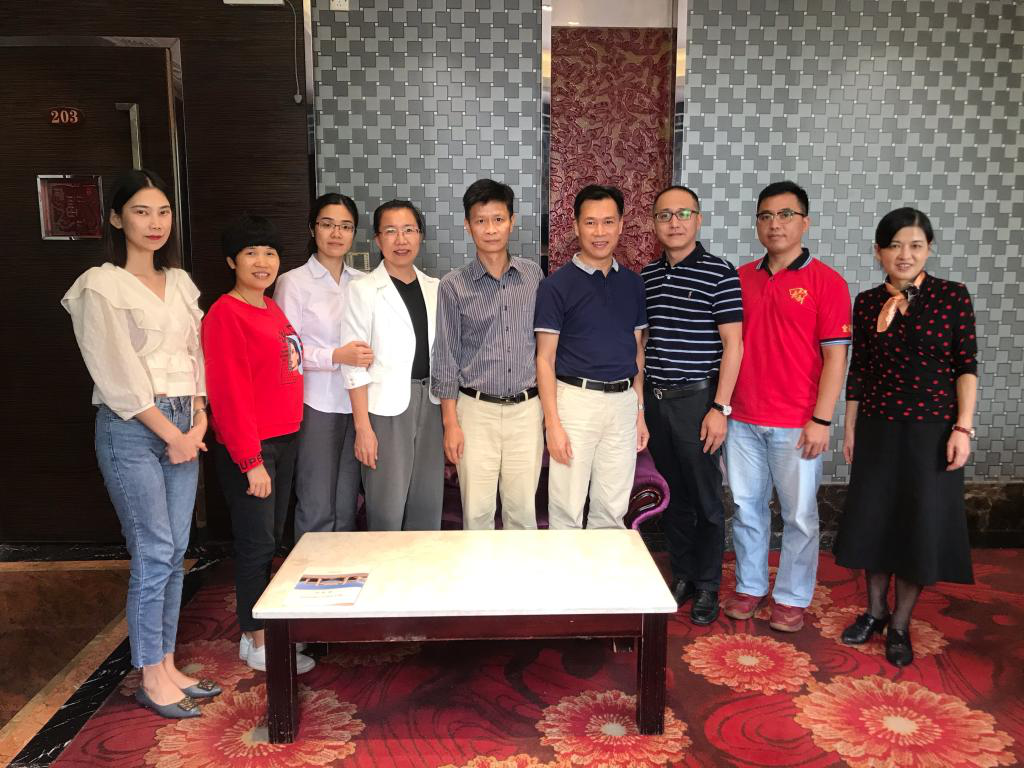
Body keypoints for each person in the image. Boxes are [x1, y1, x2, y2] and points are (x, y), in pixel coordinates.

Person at [61, 169, 217, 719]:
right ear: (116, 218)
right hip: (133, 428)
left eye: (163, 212)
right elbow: (116, 373)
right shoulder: (99, 285)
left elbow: (197, 356)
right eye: (141, 212)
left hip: (185, 422)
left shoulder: (181, 283)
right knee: (152, 549)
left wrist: (198, 420)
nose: (155, 223)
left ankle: (167, 662)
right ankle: (150, 673)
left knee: (176, 551)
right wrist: (173, 435)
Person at [834, 208, 977, 667]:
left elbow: (966, 366)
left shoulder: (952, 297)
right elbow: (859, 370)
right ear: (878, 251)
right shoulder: (866, 302)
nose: (904, 254)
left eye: (915, 245)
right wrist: (850, 427)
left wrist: (963, 427)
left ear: (929, 249)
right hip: (877, 427)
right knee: (875, 523)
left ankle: (900, 623)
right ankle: (875, 611)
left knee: (918, 526)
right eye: (894, 245)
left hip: (931, 432)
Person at [722, 181, 851, 633]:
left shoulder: (827, 282)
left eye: (785, 215)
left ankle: (792, 596)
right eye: (766, 216)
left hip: (798, 423)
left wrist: (822, 419)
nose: (774, 224)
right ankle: (750, 586)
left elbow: (836, 358)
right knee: (746, 508)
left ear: (805, 222)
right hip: (742, 419)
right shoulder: (741, 278)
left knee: (799, 515)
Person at [202, 215, 315, 675]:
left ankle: (261, 631)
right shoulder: (225, 314)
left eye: (269, 253)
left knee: (269, 541)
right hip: (255, 447)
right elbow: (228, 394)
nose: (262, 262)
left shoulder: (270, 308)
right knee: (255, 544)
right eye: (251, 253)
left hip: (284, 439)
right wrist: (251, 461)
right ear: (232, 261)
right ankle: (255, 638)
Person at [641, 184, 743, 624]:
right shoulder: (646, 277)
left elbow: (734, 346)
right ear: (654, 223)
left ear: (698, 220)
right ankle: (682, 575)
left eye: (683, 213)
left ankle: (707, 585)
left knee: (706, 499)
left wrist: (720, 408)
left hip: (699, 401)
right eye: (665, 215)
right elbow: (642, 342)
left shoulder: (720, 274)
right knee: (674, 496)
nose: (674, 222)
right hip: (657, 401)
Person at [432, 179, 545, 529]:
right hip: (475, 411)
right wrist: (450, 423)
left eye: (498, 219)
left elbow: (545, 347)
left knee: (522, 514)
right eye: (481, 221)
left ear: (512, 221)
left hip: (526, 410)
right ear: (468, 225)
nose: (491, 229)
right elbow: (445, 357)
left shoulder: (533, 276)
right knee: (477, 514)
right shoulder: (453, 285)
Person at [534, 184, 649, 529]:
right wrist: (552, 423)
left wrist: (639, 412)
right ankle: (565, 567)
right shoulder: (556, 286)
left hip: (623, 404)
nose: (600, 232)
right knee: (566, 507)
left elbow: (637, 352)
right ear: (575, 226)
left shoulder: (633, 285)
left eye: (608, 222)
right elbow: (544, 359)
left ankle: (605, 566)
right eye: (590, 222)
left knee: (612, 510)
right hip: (575, 402)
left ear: (621, 225)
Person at [274, 193, 372, 540]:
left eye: (345, 226)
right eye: (327, 224)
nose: (336, 233)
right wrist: (335, 356)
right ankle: (309, 569)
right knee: (316, 499)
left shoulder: (363, 282)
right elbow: (287, 350)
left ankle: (342, 568)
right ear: (312, 228)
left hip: (358, 403)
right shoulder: (293, 282)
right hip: (315, 403)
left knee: (347, 501)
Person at [340, 200, 443, 530]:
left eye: (409, 230)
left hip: (431, 403)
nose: (401, 240)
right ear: (377, 239)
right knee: (386, 507)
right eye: (391, 231)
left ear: (420, 235)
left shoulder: (436, 288)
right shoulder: (363, 290)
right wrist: (363, 428)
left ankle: (422, 563)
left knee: (427, 504)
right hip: (385, 411)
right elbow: (354, 365)